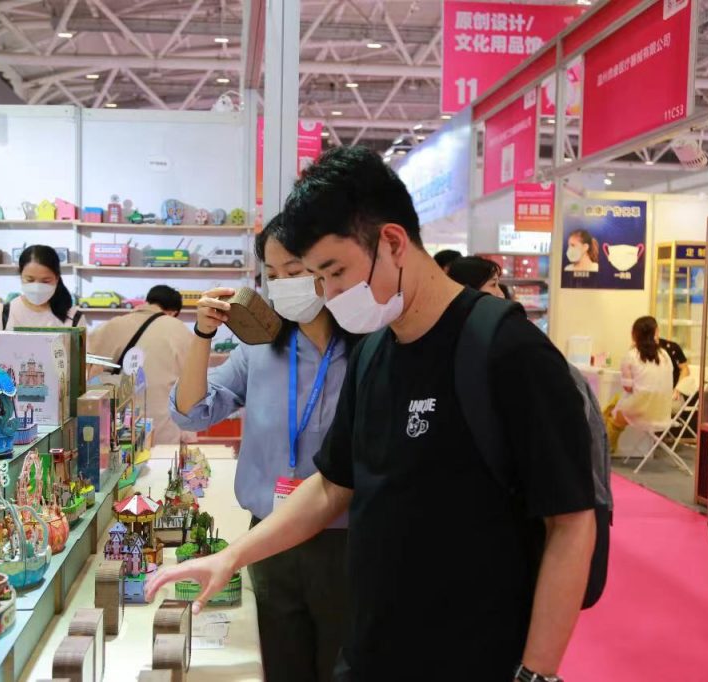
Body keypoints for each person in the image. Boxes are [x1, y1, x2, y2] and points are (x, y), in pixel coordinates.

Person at [149, 146, 595, 681]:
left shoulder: (507, 350)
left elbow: (571, 521)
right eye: (317, 278)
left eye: (336, 272)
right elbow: (331, 485)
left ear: (392, 242)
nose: (331, 294)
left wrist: (537, 674)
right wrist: (234, 555)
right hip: (370, 649)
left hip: (472, 656)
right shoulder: (373, 354)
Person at [168, 216, 354, 682]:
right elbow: (191, 413)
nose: (282, 284)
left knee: (344, 665)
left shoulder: (368, 348)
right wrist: (202, 335)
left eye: (294, 271)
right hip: (269, 540)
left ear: (328, 268)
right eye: (271, 274)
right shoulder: (260, 347)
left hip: (348, 542)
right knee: (279, 663)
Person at [87, 285, 193, 446]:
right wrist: (188, 433)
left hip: (116, 428)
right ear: (173, 312)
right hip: (162, 430)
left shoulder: (113, 325)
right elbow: (191, 385)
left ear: (148, 301)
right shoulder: (180, 330)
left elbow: (89, 370)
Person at [0, 245, 85, 354]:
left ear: (57, 278)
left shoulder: (74, 317)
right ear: (21, 276)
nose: (37, 287)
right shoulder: (1, 313)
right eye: (30, 280)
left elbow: (84, 360)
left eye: (46, 281)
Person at [603, 316, 673, 453]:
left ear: (634, 334)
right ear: (655, 333)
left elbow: (628, 388)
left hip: (641, 410)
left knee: (613, 417)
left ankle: (605, 450)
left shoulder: (631, 356)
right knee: (614, 403)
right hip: (663, 412)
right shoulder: (665, 355)